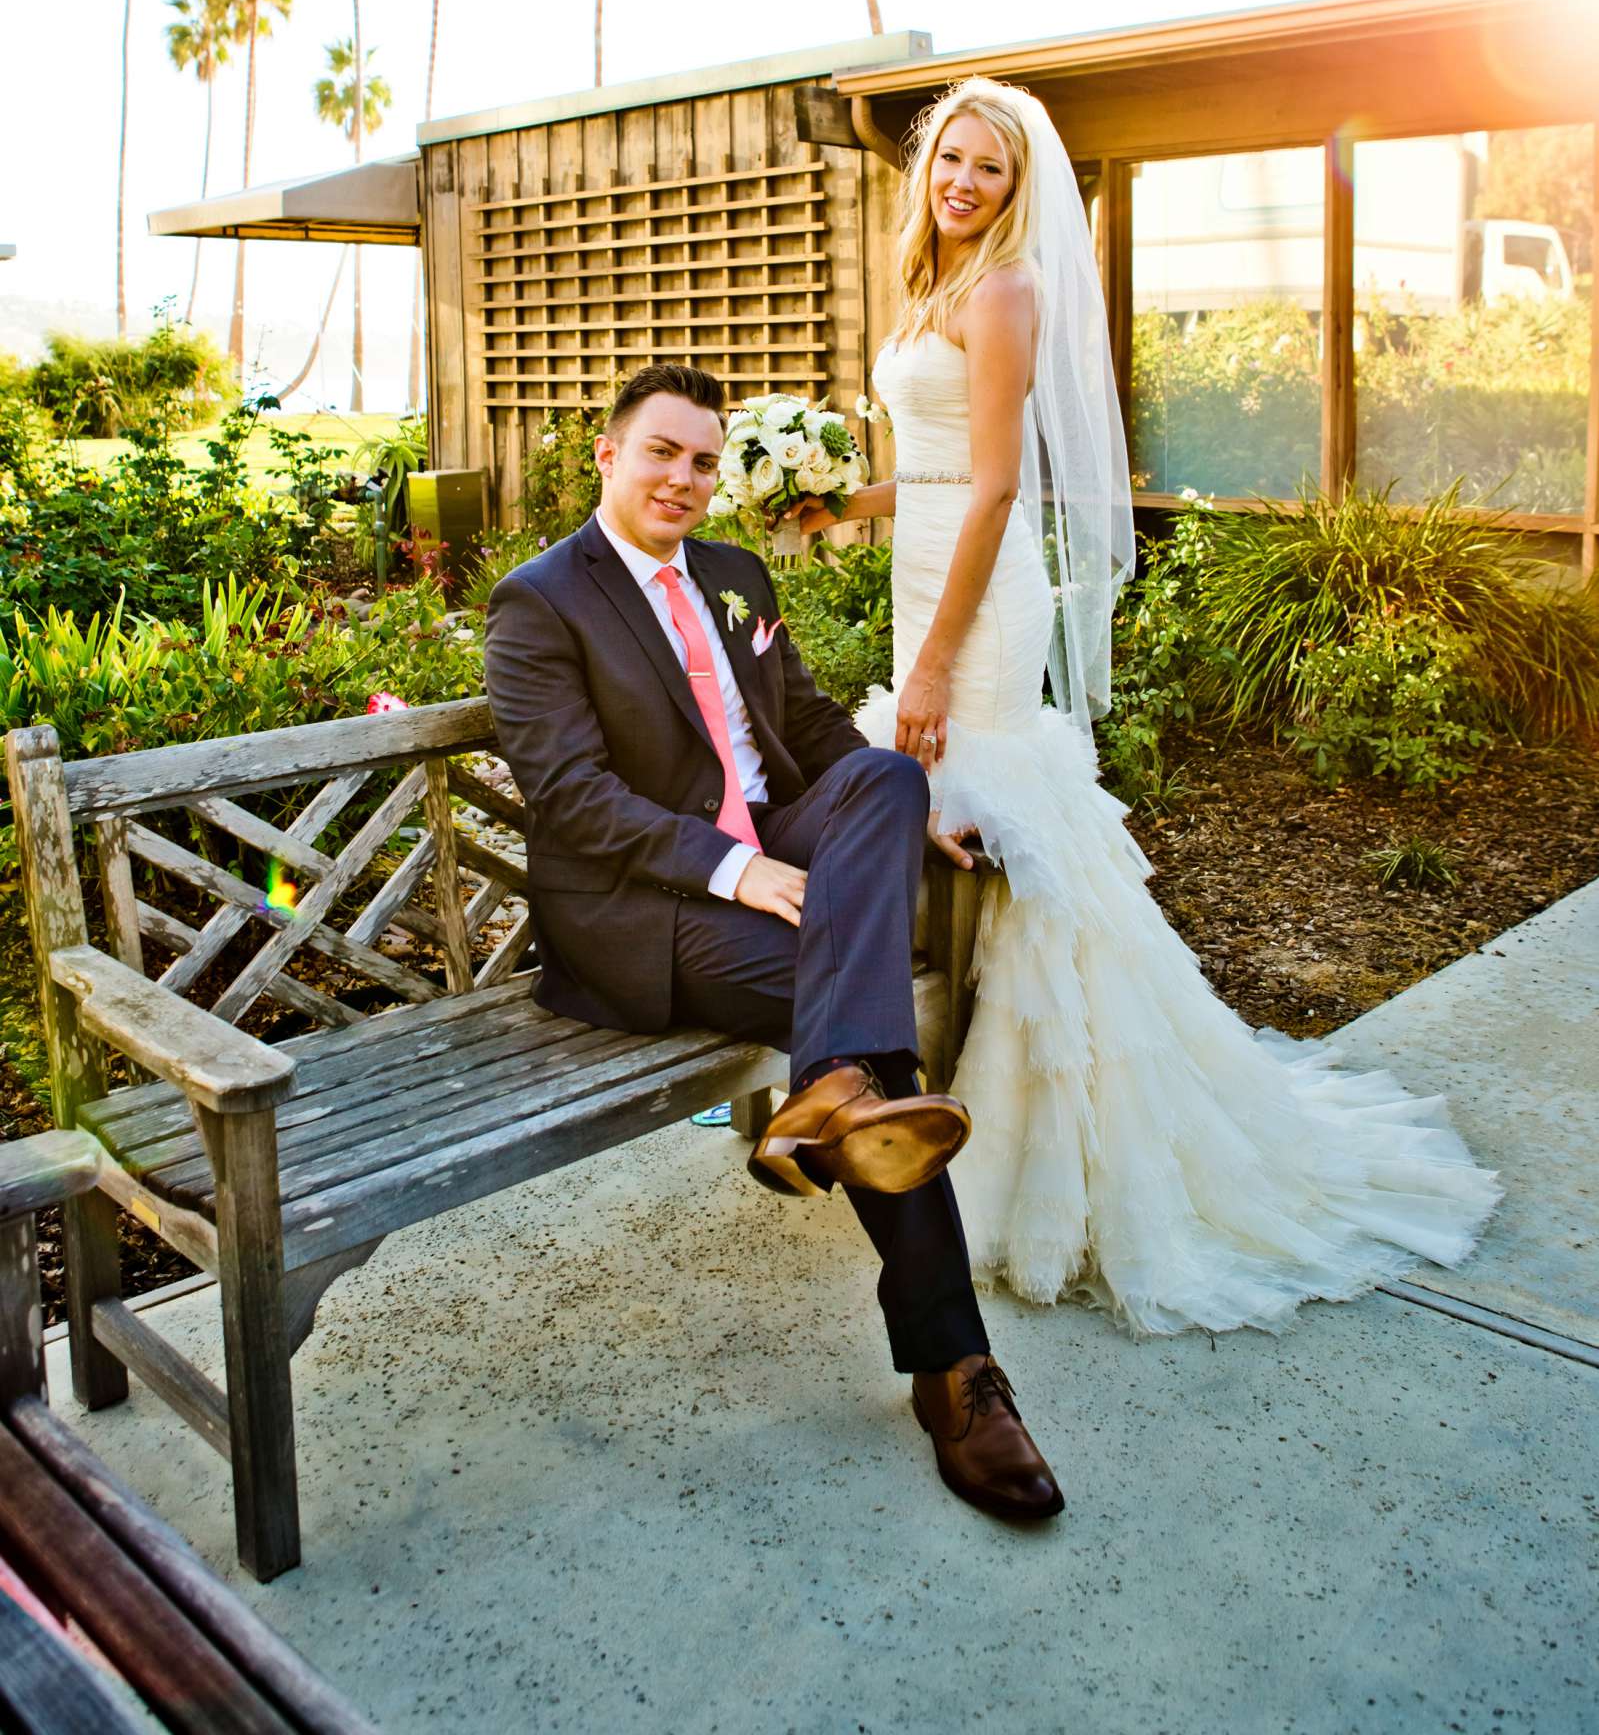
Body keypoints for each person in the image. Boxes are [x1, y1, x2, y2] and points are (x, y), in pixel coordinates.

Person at [786, 76, 1500, 1332]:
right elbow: (940, 470)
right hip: (926, 571)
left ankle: (1040, 1128)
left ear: (1017, 191)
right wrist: (840, 505)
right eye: (951, 161)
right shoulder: (931, 289)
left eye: (989, 171)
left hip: (979, 601)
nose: (963, 183)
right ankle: (921, 1086)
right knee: (941, 810)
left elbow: (1000, 491)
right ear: (927, 170)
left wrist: (941, 659)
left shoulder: (1006, 291)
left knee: (992, 803)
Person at [484, 361, 1063, 1519]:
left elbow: (802, 725)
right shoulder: (539, 600)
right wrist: (740, 870)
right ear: (609, 455)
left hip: (779, 862)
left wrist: (907, 819)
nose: (685, 479)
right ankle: (956, 1374)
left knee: (889, 773)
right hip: (649, 912)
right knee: (870, 1037)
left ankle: (834, 1090)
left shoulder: (736, 575)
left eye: (703, 460)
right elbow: (569, 796)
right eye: (662, 451)